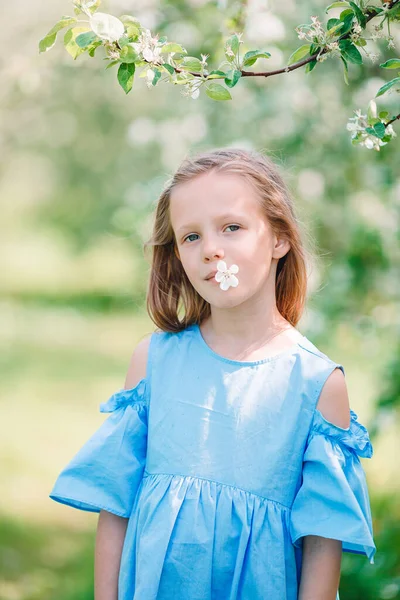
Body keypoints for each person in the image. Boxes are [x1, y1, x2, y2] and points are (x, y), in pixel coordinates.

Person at [49, 147, 376, 600]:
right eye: (191, 237)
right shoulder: (154, 361)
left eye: (232, 228)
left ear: (279, 238)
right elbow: (115, 506)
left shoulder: (317, 384)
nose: (212, 250)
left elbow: (323, 544)